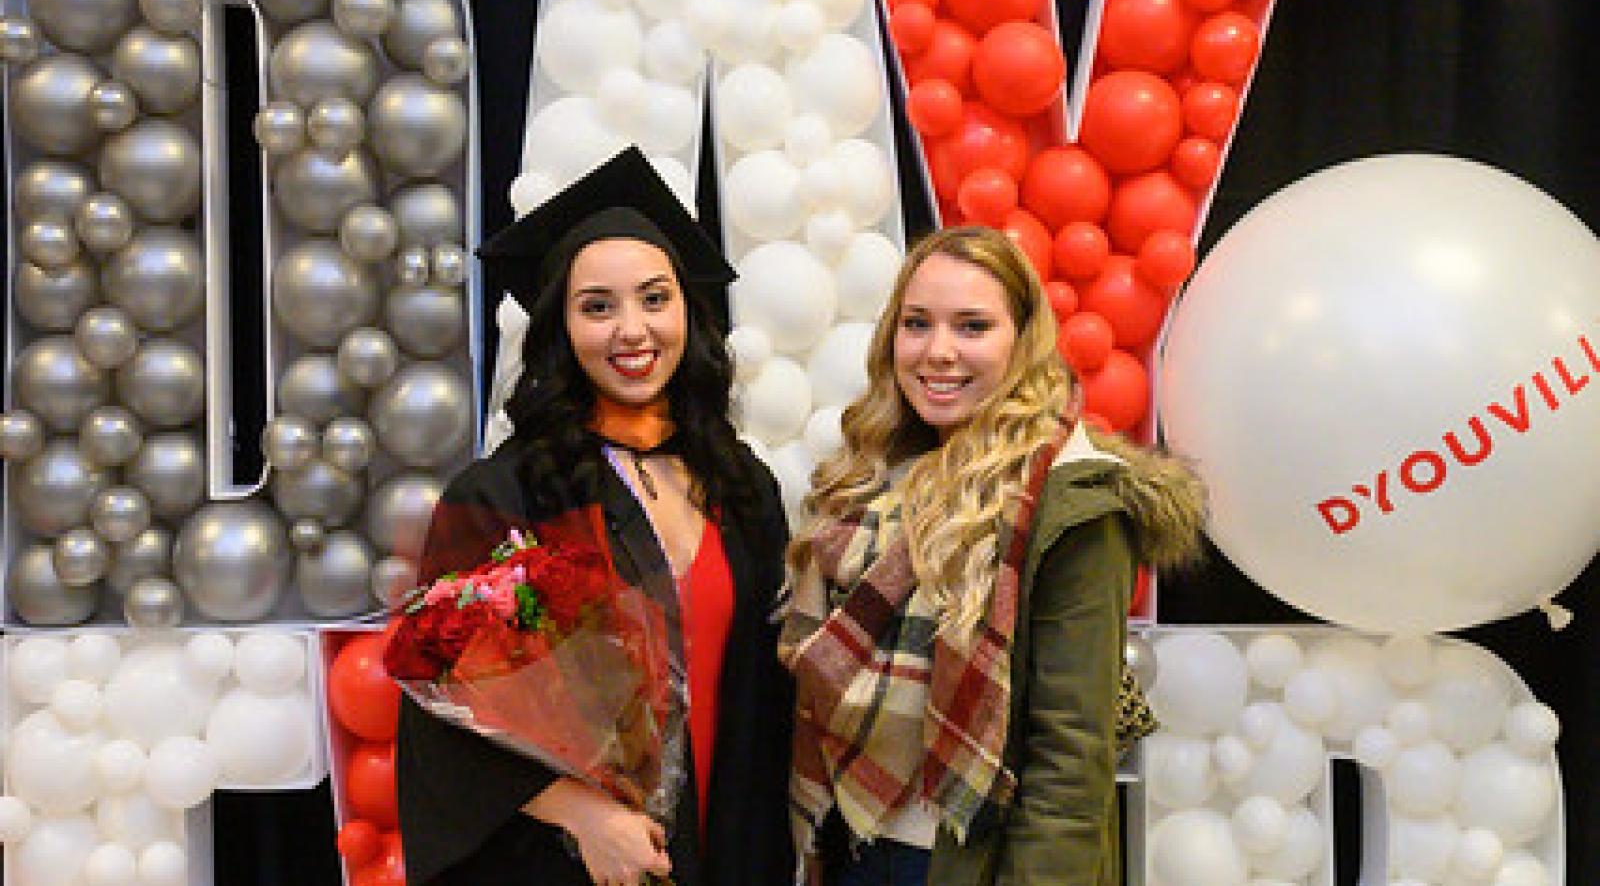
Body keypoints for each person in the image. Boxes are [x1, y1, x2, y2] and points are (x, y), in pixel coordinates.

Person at [396, 147, 794, 886]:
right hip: (570, 865)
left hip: (733, 848)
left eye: (654, 298)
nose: (632, 331)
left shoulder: (744, 488)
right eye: (597, 307)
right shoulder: (503, 496)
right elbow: (439, 715)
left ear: (688, 310)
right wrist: (585, 817)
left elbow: (768, 692)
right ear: (560, 328)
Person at [779, 226, 1205, 886]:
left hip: (967, 865)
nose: (938, 351)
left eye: (973, 326)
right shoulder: (868, 480)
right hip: (851, 847)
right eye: (917, 323)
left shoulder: (1073, 499)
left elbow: (1068, 762)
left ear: (1023, 341)